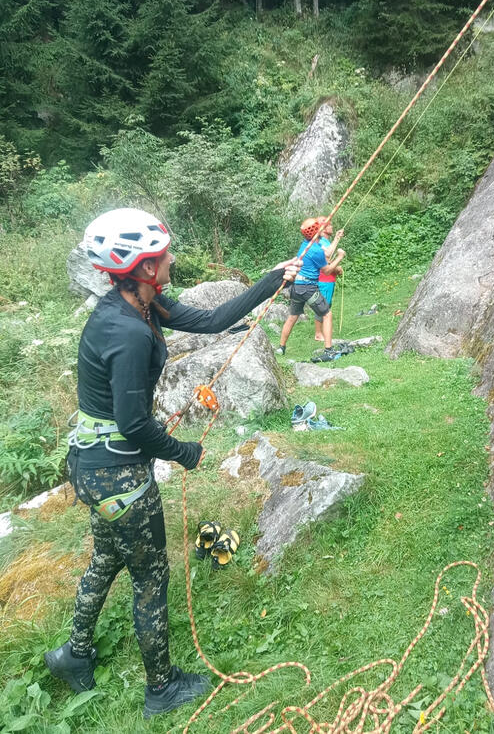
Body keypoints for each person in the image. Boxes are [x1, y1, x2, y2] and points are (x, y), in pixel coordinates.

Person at [44, 208, 301, 718]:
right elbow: (136, 425)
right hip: (117, 475)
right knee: (151, 576)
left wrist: (276, 277)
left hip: (96, 466)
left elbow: (209, 321)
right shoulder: (129, 333)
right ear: (143, 268)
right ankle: (161, 688)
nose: (172, 259)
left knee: (109, 557)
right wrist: (187, 454)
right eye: (164, 255)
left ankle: (72, 655)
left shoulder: (140, 303)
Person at [276, 218, 345, 361]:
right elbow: (326, 271)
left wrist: (336, 238)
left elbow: (325, 253)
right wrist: (340, 257)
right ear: (316, 231)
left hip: (297, 287)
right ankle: (328, 351)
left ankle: (281, 347)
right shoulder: (316, 251)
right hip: (308, 288)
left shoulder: (306, 245)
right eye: (319, 227)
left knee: (292, 317)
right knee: (327, 315)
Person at [314, 216, 345, 343]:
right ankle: (318, 333)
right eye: (330, 225)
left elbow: (328, 260)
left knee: (326, 304)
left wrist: (336, 268)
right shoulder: (321, 242)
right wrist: (337, 267)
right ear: (323, 228)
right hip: (324, 280)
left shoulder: (326, 242)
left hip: (329, 279)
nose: (332, 227)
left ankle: (324, 329)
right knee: (322, 306)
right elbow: (326, 260)